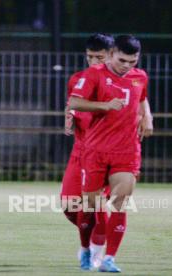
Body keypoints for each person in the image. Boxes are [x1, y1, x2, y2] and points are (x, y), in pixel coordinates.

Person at [69, 35, 153, 272]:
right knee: (91, 207)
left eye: (133, 61)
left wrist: (148, 116)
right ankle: (86, 249)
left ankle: (109, 259)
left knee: (119, 203)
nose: (127, 65)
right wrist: (104, 106)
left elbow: (142, 99)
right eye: (123, 60)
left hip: (127, 151)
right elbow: (75, 102)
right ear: (112, 53)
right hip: (95, 150)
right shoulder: (94, 74)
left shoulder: (140, 76)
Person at [61, 33, 114, 270]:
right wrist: (70, 116)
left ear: (111, 56)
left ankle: (96, 252)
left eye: (99, 58)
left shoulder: (118, 82)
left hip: (104, 153)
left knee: (95, 206)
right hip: (80, 150)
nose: (93, 62)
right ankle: (94, 237)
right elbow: (73, 105)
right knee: (70, 207)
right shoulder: (77, 79)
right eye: (90, 57)